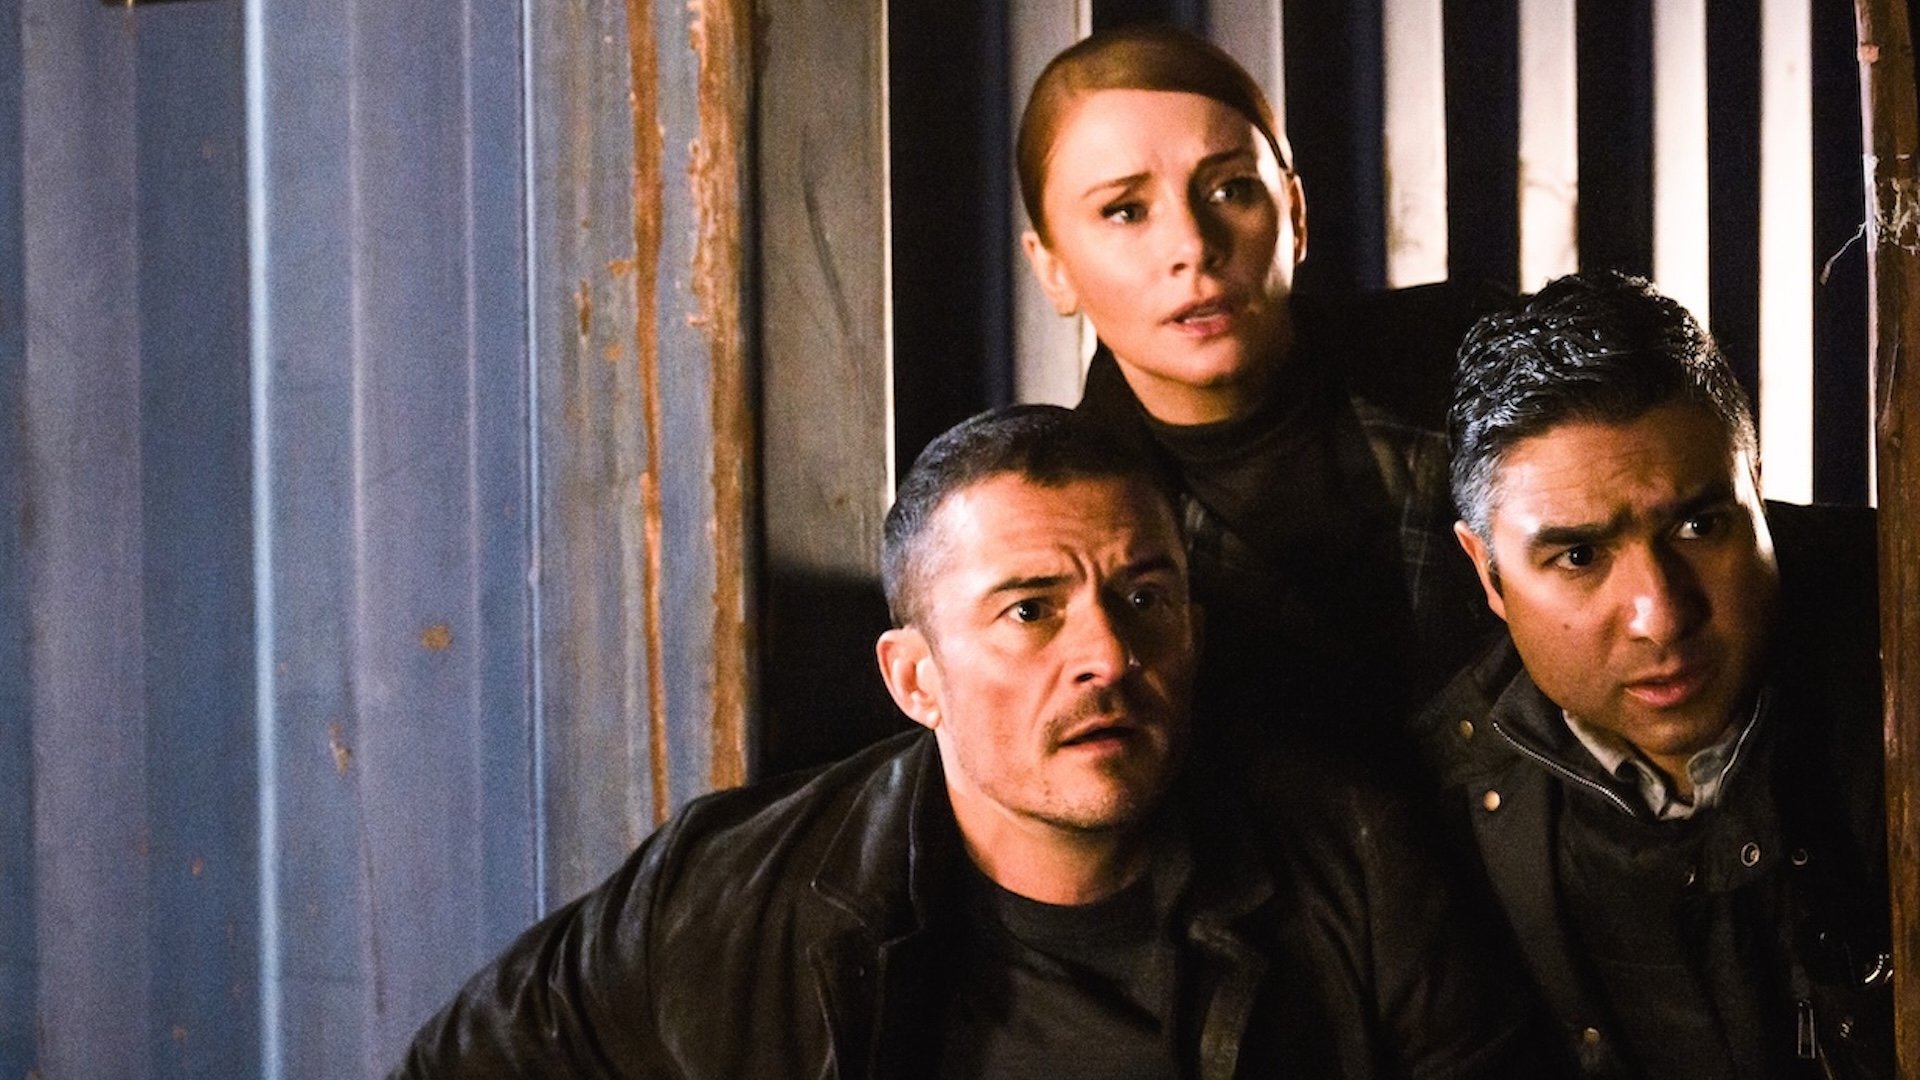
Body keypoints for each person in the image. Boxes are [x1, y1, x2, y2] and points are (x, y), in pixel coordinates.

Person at [391, 405, 1548, 1078]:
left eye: (1144, 599)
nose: (1107, 657)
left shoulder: (1351, 859)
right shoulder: (735, 896)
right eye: (1030, 611)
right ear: (916, 678)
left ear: (1193, 631)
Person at [1414, 271, 1893, 1077]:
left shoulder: (1892, 649)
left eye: (1699, 525)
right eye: (1579, 556)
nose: (1660, 615)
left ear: (1757, 488)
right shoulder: (1452, 803)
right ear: (1487, 572)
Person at [1016, 24, 1497, 756]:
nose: (1192, 246)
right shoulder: (1061, 524)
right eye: (1126, 210)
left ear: (1295, 215)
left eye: (1230, 189)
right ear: (1052, 269)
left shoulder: (1474, 357)